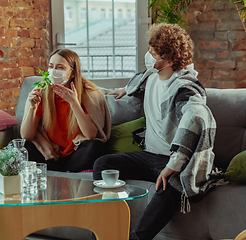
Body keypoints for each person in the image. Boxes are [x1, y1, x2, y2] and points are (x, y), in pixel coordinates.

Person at [93, 23, 218, 240]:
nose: (148, 56)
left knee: (172, 185)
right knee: (103, 165)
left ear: (170, 60)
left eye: (154, 53)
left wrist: (173, 165)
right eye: (150, 50)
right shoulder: (151, 75)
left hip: (169, 161)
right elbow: (139, 82)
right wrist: (126, 89)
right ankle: (106, 230)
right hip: (148, 155)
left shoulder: (185, 87)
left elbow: (196, 115)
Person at [21, 49, 111, 172]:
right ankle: (62, 171)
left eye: (60, 67)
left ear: (72, 73)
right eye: (51, 66)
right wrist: (32, 107)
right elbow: (26, 135)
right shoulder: (41, 90)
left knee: (96, 147)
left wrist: (74, 102)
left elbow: (90, 135)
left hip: (77, 152)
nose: (53, 71)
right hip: (51, 152)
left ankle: (57, 171)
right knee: (22, 147)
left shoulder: (89, 94)